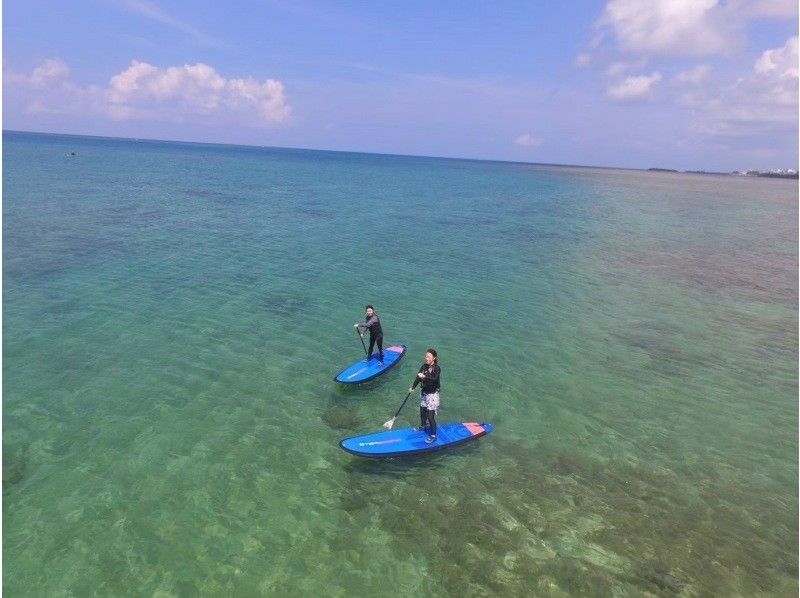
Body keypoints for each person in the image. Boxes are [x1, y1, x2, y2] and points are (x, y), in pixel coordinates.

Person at [410, 348, 440, 443]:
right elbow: (418, 377)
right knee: (422, 412)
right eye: (426, 356)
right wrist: (413, 387)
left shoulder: (437, 368)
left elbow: (434, 379)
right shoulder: (424, 366)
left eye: (428, 357)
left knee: (430, 416)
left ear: (434, 358)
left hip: (432, 396)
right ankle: (423, 426)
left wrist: (425, 376)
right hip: (424, 393)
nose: (426, 358)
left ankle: (433, 436)